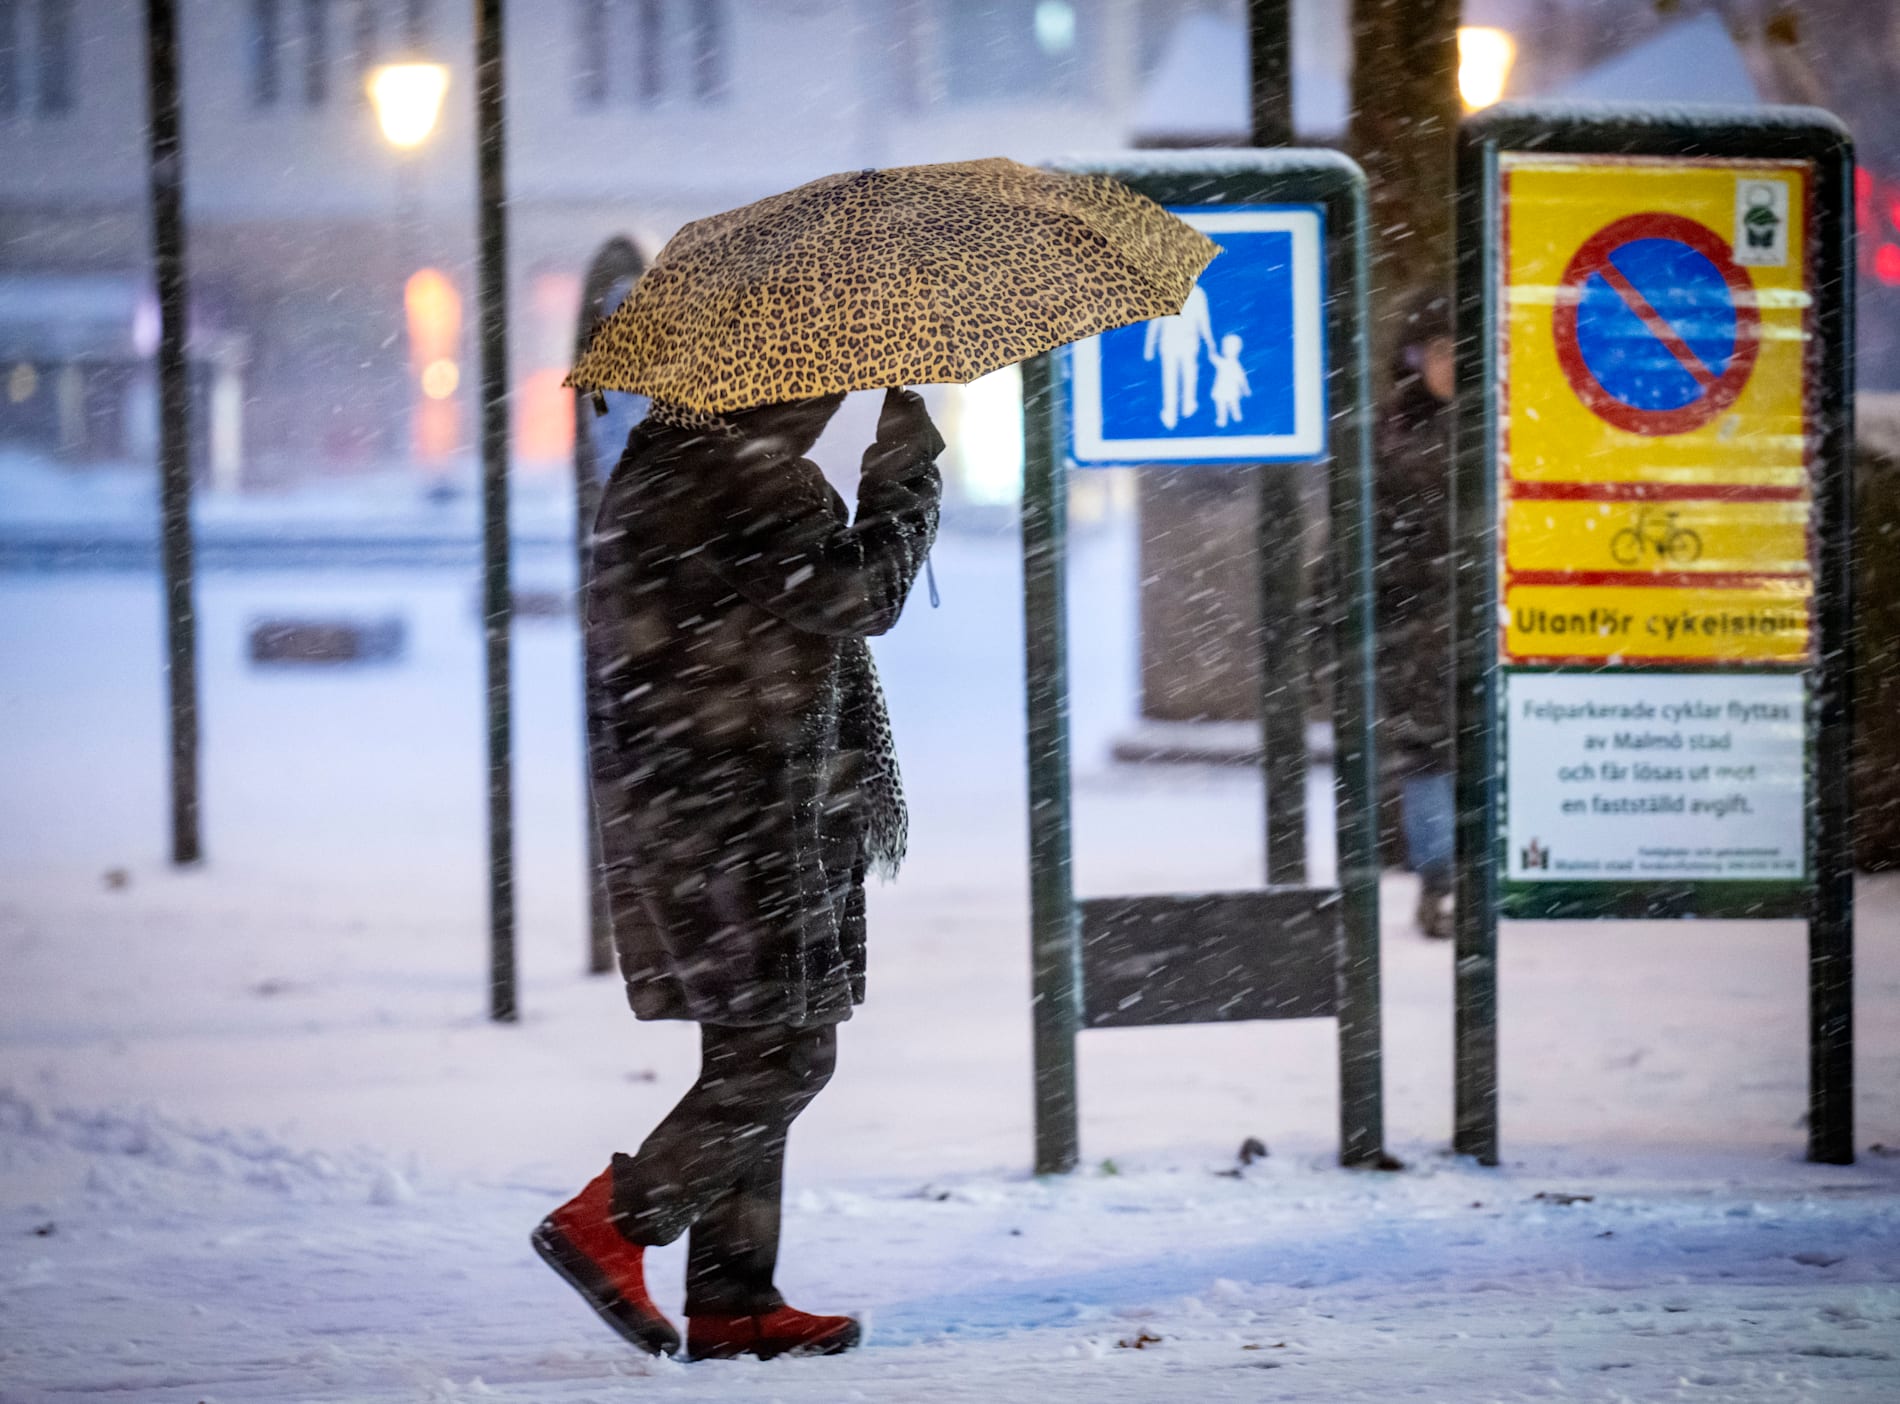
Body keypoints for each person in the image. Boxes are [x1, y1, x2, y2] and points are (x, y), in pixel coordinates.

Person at [534, 387, 943, 1361]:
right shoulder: (728, 472)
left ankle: (735, 1300)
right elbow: (858, 597)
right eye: (825, 377)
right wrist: (906, 483)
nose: (836, 392)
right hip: (743, 809)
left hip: (717, 802)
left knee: (751, 1053)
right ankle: (616, 1221)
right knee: (788, 1055)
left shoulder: (678, 462)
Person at [1374, 293, 1456, 939]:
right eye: (1439, 351)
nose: (1452, 364)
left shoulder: (1507, 427)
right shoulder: (1395, 434)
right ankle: (1440, 883)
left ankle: (1467, 878)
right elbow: (1370, 537)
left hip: (1486, 624)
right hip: (1423, 629)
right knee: (1429, 756)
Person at [1209, 332, 1250, 426]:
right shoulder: (1231, 364)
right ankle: (1230, 417)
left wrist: (1211, 349)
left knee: (1228, 404)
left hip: (1225, 388)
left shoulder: (1230, 364)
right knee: (1226, 403)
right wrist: (1245, 389)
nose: (1225, 349)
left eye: (1226, 347)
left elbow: (1241, 379)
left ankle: (1230, 417)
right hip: (1228, 389)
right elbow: (1242, 379)